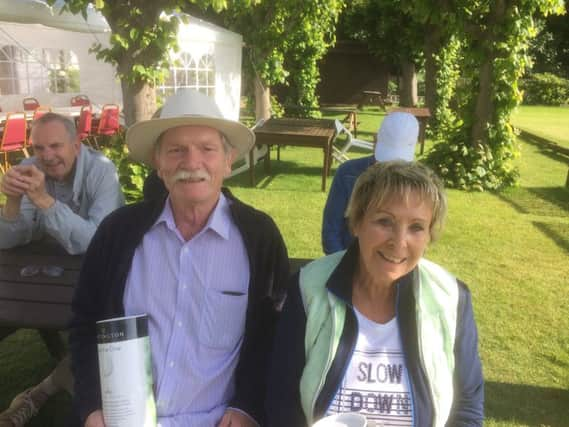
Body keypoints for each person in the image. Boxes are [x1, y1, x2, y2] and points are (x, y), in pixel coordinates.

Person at [69, 89, 289, 427]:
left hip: (217, 421)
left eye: (207, 149)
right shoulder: (118, 233)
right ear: (159, 164)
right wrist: (91, 406)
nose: (191, 162)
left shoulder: (260, 238)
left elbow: (272, 334)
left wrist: (248, 407)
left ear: (228, 161)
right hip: (125, 420)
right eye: (176, 150)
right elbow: (85, 322)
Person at [267, 161, 484, 427]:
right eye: (384, 221)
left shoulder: (450, 298)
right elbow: (281, 398)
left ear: (429, 234)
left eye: (416, 227)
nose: (399, 242)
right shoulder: (308, 288)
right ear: (357, 222)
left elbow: (467, 408)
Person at [0, 113, 124, 426]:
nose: (46, 156)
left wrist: (42, 199)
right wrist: (12, 202)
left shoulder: (102, 172)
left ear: (77, 144)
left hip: (108, 274)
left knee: (97, 329)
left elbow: (95, 241)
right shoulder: (33, 167)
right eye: (39, 148)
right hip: (53, 277)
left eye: (55, 146)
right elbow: (11, 240)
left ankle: (45, 392)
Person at [322, 112, 419, 254]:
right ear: (375, 139)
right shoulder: (347, 173)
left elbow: (417, 238)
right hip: (346, 260)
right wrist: (342, 267)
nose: (389, 167)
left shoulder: (419, 184)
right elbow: (331, 229)